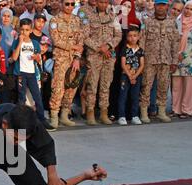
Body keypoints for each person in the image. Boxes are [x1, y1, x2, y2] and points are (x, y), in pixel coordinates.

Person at [139, 0, 179, 123]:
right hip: (150, 60)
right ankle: (144, 112)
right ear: (155, 6)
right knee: (146, 86)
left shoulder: (172, 22)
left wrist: (174, 61)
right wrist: (141, 60)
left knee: (163, 86)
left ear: (167, 6)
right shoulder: (147, 21)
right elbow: (142, 41)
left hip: (166, 60)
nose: (161, 7)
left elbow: (175, 43)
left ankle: (161, 112)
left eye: (163, 5)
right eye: (158, 5)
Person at [83, 0, 122, 126]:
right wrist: (99, 48)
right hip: (94, 56)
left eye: (105, 2)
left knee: (106, 85)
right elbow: (84, 36)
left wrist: (109, 46)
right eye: (101, 2)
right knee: (92, 85)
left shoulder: (113, 16)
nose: (103, 5)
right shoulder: (88, 15)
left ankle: (104, 113)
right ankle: (90, 112)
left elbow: (118, 35)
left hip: (109, 56)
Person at [48, 0, 84, 128]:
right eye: (67, 4)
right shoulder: (54, 20)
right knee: (58, 87)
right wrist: (73, 47)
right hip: (61, 59)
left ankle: (64, 115)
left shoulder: (77, 20)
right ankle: (53, 116)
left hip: (73, 59)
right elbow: (56, 40)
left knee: (72, 87)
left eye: (72, 4)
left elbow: (81, 41)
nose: (69, 6)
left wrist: (77, 58)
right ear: (61, 4)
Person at [12, 19, 50, 127]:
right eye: (22, 30)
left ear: (31, 30)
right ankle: (20, 121)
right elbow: (14, 58)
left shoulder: (35, 43)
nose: (24, 32)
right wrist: (20, 42)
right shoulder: (17, 42)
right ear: (19, 30)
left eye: (27, 30)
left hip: (32, 74)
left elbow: (39, 59)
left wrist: (36, 58)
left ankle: (42, 119)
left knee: (37, 97)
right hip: (21, 74)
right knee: (21, 98)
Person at [171, 0, 192, 118]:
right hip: (176, 58)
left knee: (189, 87)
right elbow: (173, 40)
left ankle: (187, 110)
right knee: (176, 85)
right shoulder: (177, 22)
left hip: (190, 60)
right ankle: (176, 109)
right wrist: (177, 54)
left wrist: (184, 54)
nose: (188, 11)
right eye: (187, 8)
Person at [117, 26, 144, 125]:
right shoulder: (125, 49)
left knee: (135, 96)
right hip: (126, 76)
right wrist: (130, 76)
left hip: (137, 77)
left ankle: (135, 116)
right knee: (123, 96)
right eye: (130, 36)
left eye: (135, 36)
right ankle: (121, 116)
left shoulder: (140, 50)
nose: (132, 38)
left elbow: (142, 65)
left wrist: (135, 76)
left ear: (138, 37)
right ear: (126, 37)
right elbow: (123, 64)